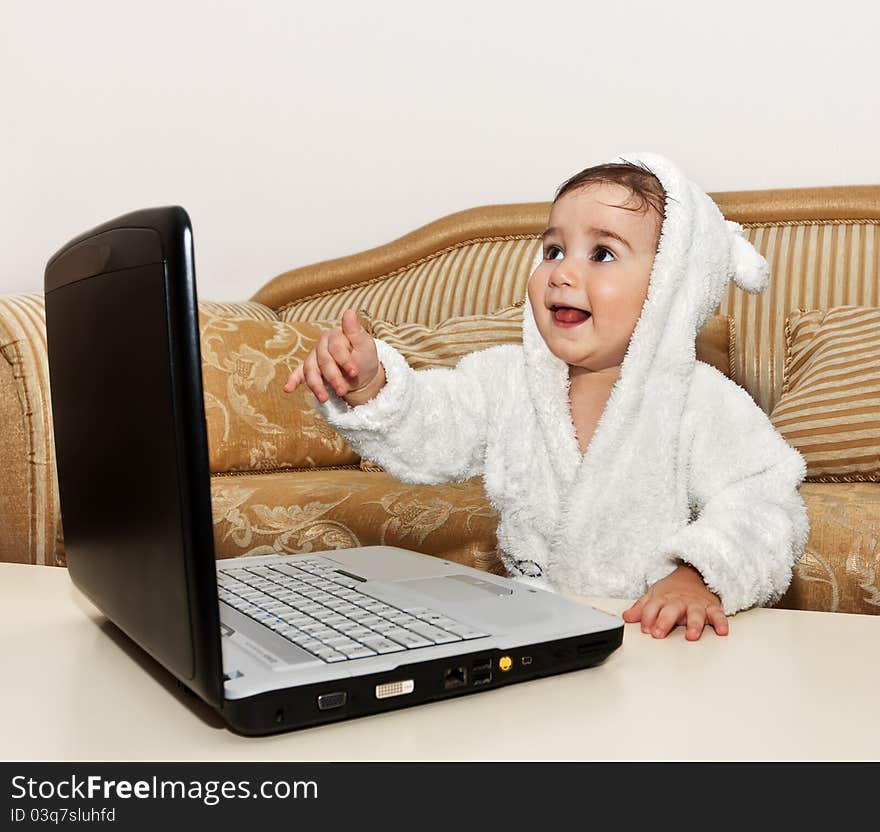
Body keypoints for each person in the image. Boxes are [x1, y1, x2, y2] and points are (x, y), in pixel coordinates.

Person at [283, 151, 809, 642]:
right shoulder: (507, 379)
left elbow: (765, 501)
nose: (562, 271)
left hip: (656, 632)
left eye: (602, 253)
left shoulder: (701, 400)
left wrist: (701, 576)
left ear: (671, 287)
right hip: (533, 626)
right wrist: (372, 385)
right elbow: (435, 428)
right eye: (553, 249)